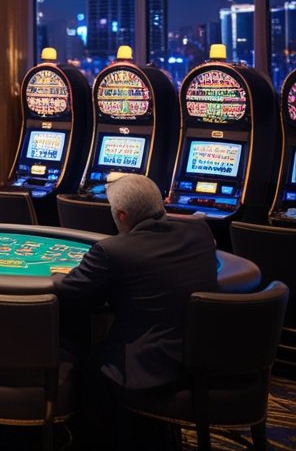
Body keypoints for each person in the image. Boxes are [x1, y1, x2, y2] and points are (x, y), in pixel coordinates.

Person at [52, 173, 219, 449]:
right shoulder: (200, 232)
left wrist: (56, 275)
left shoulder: (112, 250)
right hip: (203, 360)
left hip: (149, 370)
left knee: (75, 355)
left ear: (121, 215)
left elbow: (68, 291)